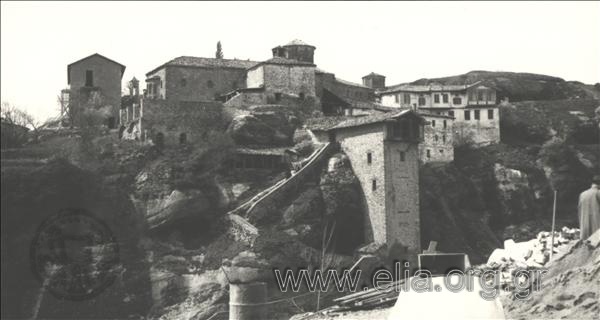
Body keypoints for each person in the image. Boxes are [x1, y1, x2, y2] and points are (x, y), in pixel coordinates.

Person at [578, 174, 600, 240]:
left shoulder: (582, 194)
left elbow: (579, 211)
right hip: (597, 230)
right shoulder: (598, 193)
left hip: (584, 230)